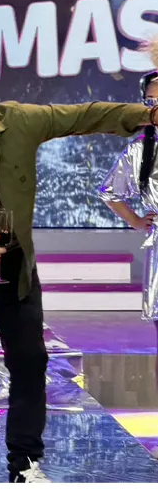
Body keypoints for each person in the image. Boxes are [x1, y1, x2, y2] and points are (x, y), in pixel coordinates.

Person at [0, 67, 156, 483]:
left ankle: (25, 464)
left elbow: (83, 115)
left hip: (11, 260)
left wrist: (147, 115)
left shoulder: (16, 122)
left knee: (30, 360)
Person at [98, 70, 158, 460]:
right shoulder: (141, 149)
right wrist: (136, 220)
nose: (155, 107)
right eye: (150, 101)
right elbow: (109, 192)